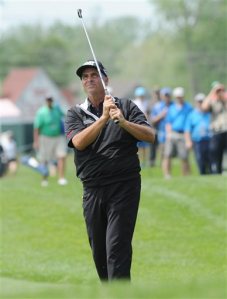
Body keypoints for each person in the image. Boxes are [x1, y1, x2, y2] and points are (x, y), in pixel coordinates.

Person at [64, 59, 155, 281]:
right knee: (100, 253)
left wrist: (123, 122)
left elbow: (150, 136)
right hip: (93, 189)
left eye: (94, 75)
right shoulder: (75, 113)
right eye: (85, 77)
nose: (89, 79)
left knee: (117, 248)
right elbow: (79, 142)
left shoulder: (125, 106)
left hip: (124, 186)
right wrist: (104, 118)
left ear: (105, 80)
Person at [33, 96, 68, 186]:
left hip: (58, 136)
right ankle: (44, 179)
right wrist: (36, 141)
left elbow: (65, 115)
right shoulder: (41, 112)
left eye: (51, 100)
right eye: (48, 100)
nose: (49, 102)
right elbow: (37, 128)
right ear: (45, 101)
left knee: (62, 156)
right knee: (44, 159)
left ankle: (61, 178)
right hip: (45, 137)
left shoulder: (57, 109)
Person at [162, 87, 192, 178]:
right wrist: (168, 134)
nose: (179, 98)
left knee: (184, 156)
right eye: (178, 97)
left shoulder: (188, 107)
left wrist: (188, 138)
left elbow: (189, 122)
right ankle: (167, 175)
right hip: (172, 133)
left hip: (183, 134)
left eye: (181, 97)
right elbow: (168, 122)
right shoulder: (171, 108)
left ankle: (185, 175)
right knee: (167, 154)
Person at [201, 82, 227, 174]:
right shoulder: (212, 101)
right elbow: (204, 107)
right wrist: (212, 92)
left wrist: (223, 96)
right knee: (216, 154)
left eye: (221, 90)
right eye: (218, 91)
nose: (219, 92)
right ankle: (218, 171)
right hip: (217, 132)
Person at [185, 93, 211, 175]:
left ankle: (211, 174)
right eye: (199, 102)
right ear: (196, 103)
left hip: (209, 139)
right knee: (200, 160)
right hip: (198, 141)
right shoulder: (192, 115)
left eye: (202, 101)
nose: (200, 103)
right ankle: (203, 174)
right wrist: (188, 141)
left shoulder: (209, 113)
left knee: (210, 160)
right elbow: (187, 130)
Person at [150, 87, 173, 166]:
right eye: (165, 96)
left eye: (168, 95)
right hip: (162, 132)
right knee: (164, 153)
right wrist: (161, 115)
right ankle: (165, 170)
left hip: (174, 132)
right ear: (162, 96)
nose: (167, 97)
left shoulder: (174, 105)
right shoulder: (157, 106)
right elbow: (153, 120)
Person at [133, 86, 150, 167]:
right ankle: (139, 161)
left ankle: (145, 162)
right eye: (140, 95)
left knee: (145, 146)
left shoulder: (146, 103)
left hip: (145, 126)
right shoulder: (135, 102)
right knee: (138, 146)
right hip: (137, 126)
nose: (141, 97)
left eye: (142, 95)